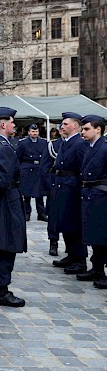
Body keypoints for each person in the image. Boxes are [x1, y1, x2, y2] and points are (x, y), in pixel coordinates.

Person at [0, 107, 27, 308]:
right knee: (5, 245)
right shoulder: (4, 148)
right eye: (11, 122)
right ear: (3, 125)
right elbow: (3, 181)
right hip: (6, 202)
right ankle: (1, 290)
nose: (14, 126)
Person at [51, 112, 89, 274]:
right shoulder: (65, 142)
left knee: (74, 224)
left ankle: (79, 259)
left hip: (73, 186)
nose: (62, 126)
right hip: (62, 185)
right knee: (65, 222)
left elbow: (83, 167)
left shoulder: (79, 143)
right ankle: (71, 255)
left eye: (66, 124)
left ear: (74, 125)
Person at [77, 115, 107, 288]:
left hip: (101, 195)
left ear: (98, 129)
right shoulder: (89, 147)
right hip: (90, 193)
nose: (83, 132)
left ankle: (102, 271)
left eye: (87, 128)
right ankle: (96, 268)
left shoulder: (103, 147)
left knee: (102, 235)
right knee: (93, 234)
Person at [16, 124, 48, 221]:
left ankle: (41, 213)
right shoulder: (23, 143)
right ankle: (27, 213)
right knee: (27, 194)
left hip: (39, 168)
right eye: (33, 131)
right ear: (29, 132)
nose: (35, 133)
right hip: (27, 168)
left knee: (39, 194)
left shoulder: (43, 142)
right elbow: (18, 157)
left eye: (36, 131)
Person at [42, 124, 65, 256]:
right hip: (55, 184)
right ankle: (53, 242)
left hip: (70, 186)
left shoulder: (79, 144)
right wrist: (50, 185)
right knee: (53, 217)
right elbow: (44, 167)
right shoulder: (53, 145)